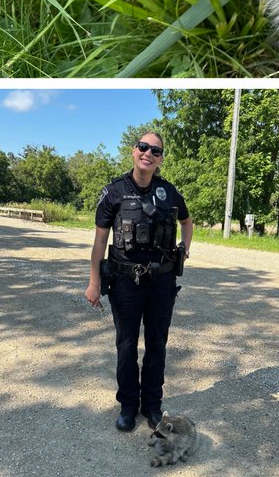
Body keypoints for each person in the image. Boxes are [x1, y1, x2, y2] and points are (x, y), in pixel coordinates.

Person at [85, 131, 193, 432]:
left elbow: (186, 221)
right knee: (127, 345)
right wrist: (94, 282)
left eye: (155, 151)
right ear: (134, 151)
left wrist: (185, 247)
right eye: (143, 147)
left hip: (161, 281)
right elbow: (98, 243)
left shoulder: (169, 192)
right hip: (124, 282)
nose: (148, 153)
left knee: (157, 344)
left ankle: (152, 406)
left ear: (160, 159)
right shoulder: (114, 192)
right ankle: (129, 407)